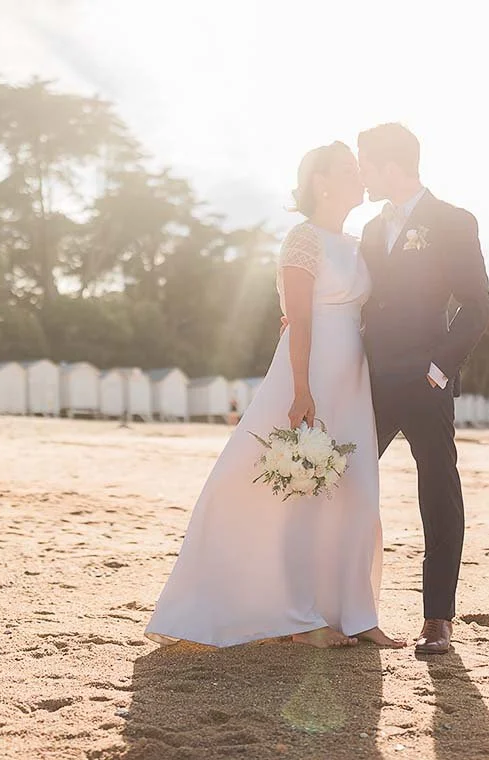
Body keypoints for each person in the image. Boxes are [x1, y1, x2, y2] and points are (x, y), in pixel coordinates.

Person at [142, 142, 404, 649]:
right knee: (296, 487)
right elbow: (301, 319)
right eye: (348, 170)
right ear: (321, 181)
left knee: (355, 490)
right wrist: (301, 389)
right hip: (309, 371)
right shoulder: (303, 239)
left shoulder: (356, 242)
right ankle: (299, 617)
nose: (358, 178)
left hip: (353, 375)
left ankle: (357, 611)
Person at [357, 123, 489, 654]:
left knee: (437, 490)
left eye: (367, 164)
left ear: (392, 165)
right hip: (370, 378)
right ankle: (343, 602)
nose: (363, 174)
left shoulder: (453, 221)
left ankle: (438, 618)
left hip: (425, 379)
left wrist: (439, 369)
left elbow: (476, 305)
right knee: (347, 481)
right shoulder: (369, 230)